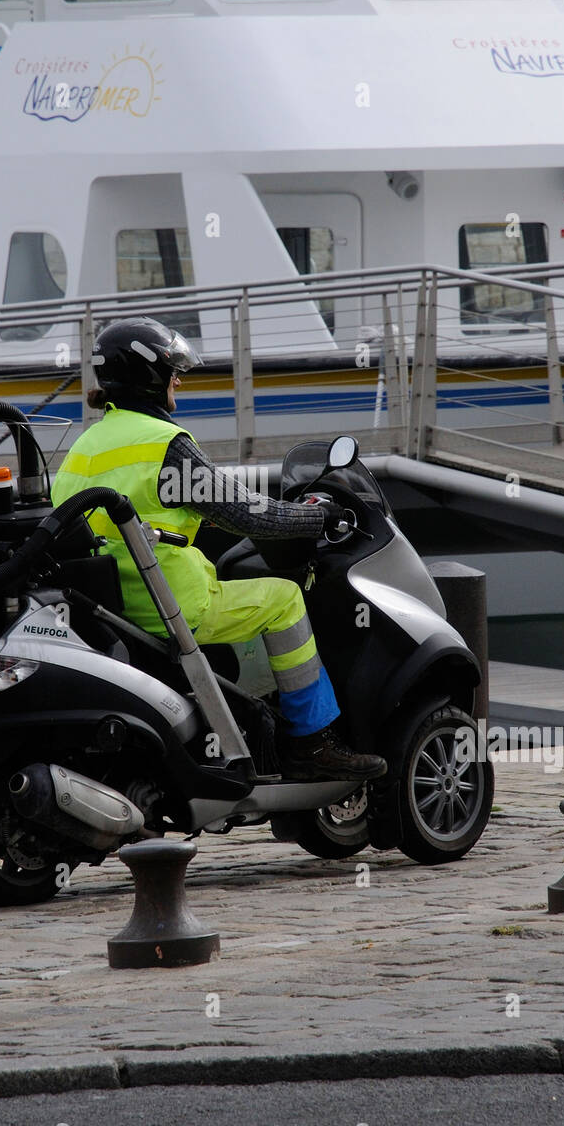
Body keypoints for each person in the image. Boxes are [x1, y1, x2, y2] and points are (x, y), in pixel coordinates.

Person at [51, 317, 386, 782]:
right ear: (151, 378)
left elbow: (151, 509)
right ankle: (312, 742)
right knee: (284, 599)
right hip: (170, 600)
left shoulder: (83, 447)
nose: (179, 380)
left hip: (115, 604)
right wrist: (319, 516)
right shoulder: (165, 445)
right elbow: (252, 516)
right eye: (173, 371)